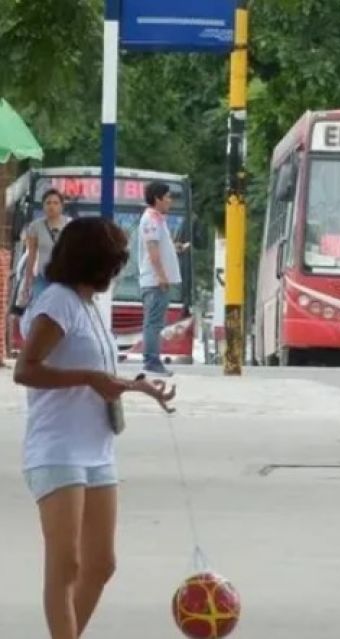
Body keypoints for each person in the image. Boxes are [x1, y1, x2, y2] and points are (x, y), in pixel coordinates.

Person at [13, 216, 176, 639]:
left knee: (101, 564)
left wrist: (136, 386)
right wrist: (88, 379)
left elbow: (97, 372)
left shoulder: (88, 305)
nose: (116, 272)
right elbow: (26, 371)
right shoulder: (59, 303)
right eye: (113, 263)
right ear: (92, 262)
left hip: (97, 449)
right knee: (66, 565)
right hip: (57, 450)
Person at [138, 182, 187, 377]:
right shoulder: (151, 220)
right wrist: (161, 276)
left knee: (155, 322)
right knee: (154, 323)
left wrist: (175, 249)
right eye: (167, 196)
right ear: (157, 198)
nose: (170, 200)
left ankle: (152, 359)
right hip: (155, 281)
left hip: (156, 278)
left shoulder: (158, 219)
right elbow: (152, 251)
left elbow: (159, 249)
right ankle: (151, 360)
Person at [17, 188, 71, 308]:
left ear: (62, 206)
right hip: (43, 277)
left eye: (55, 203)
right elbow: (31, 255)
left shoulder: (70, 226)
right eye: (48, 203)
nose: (51, 206)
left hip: (65, 278)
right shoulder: (35, 226)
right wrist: (27, 282)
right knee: (40, 310)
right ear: (43, 206)